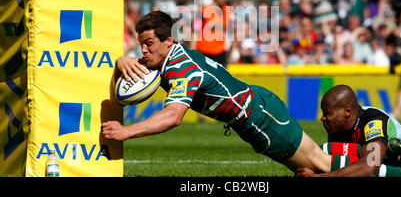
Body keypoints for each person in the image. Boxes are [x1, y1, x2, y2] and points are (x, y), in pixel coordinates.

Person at [102, 10, 332, 174]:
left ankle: (367, 164)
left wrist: (127, 132)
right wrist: (120, 62)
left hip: (259, 118)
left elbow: (173, 116)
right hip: (252, 116)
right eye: (141, 43)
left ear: (168, 41)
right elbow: (119, 97)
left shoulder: (182, 68)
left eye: (149, 43)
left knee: (323, 166)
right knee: (309, 171)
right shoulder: (165, 57)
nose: (143, 50)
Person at [297, 84, 401, 177]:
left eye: (327, 113)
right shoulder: (337, 128)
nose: (323, 118)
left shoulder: (373, 121)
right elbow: (338, 164)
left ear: (347, 111)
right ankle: (393, 155)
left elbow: (369, 167)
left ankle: (396, 155)